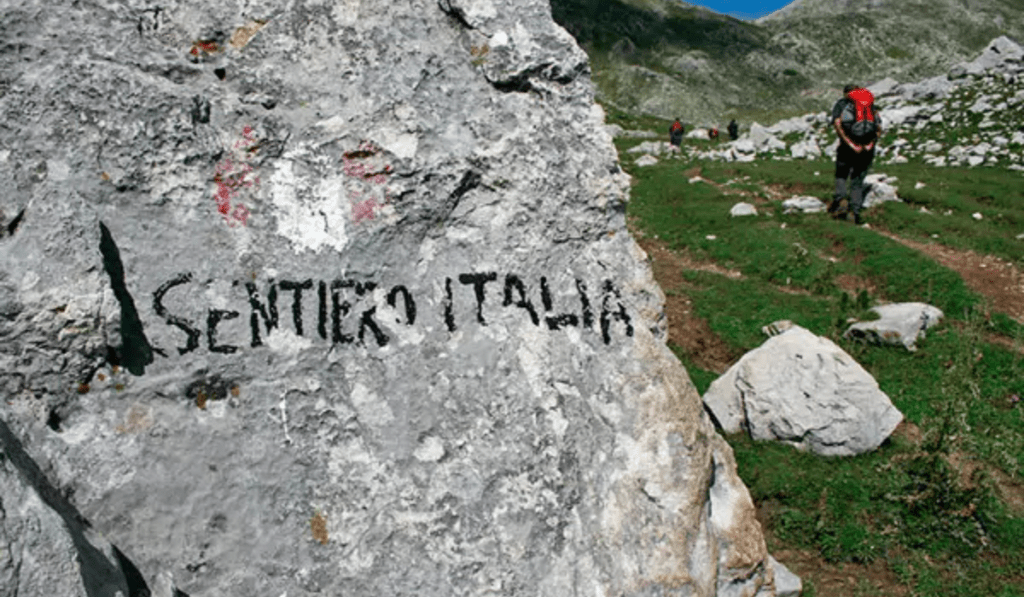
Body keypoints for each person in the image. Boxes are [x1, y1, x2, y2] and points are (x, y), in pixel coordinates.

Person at [829, 84, 882, 225]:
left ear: (846, 93)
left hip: (847, 147)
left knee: (841, 174)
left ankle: (841, 200)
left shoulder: (842, 103)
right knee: (857, 180)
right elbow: (878, 126)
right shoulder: (869, 104)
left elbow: (837, 123)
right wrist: (870, 144)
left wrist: (850, 144)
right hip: (866, 149)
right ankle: (855, 211)